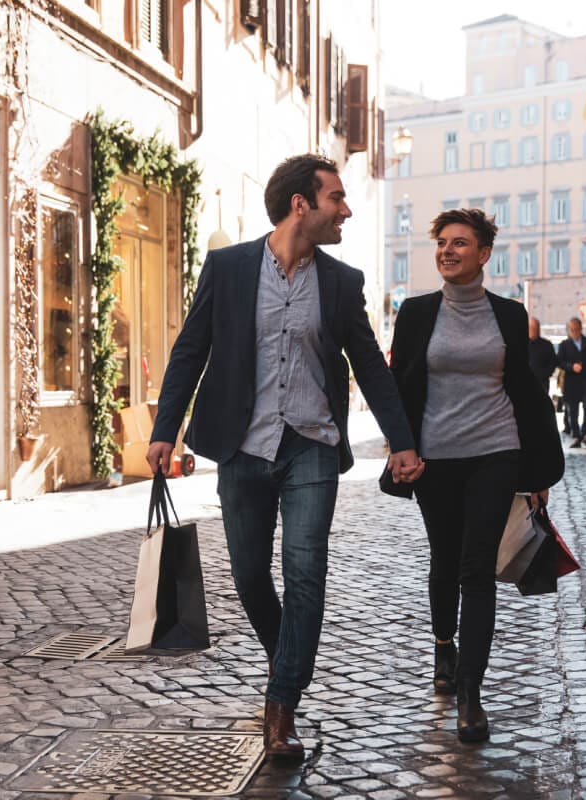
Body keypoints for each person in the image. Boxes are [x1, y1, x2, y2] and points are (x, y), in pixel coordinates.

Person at [147, 154, 423, 761]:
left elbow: (369, 365)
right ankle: (287, 658)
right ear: (301, 204)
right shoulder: (228, 268)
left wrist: (401, 440)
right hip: (243, 445)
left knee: (305, 572)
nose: (346, 210)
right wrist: (166, 429)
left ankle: (282, 706)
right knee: (248, 574)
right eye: (336, 199)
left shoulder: (341, 282)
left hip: (311, 446)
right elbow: (191, 348)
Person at [388, 208, 563, 743]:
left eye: (460, 242)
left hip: (495, 452)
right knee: (444, 560)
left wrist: (536, 469)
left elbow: (525, 393)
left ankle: (470, 692)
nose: (448, 250)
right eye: (442, 242)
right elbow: (399, 387)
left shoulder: (508, 315)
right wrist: (401, 448)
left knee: (477, 568)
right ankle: (444, 647)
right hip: (435, 459)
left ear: (484, 254)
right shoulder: (416, 313)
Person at [557, 316, 586, 448]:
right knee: (572, 411)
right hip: (572, 382)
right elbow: (559, 362)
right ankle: (576, 436)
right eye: (572, 330)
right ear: (569, 330)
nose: (574, 332)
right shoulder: (564, 345)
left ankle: (585, 433)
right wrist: (571, 367)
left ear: (581, 329)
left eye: (576, 329)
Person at [527, 317, 559, 395]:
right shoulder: (521, 344)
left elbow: (553, 363)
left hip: (542, 383)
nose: (533, 330)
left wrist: (545, 374)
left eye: (535, 328)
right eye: (531, 328)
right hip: (525, 383)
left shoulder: (547, 345)